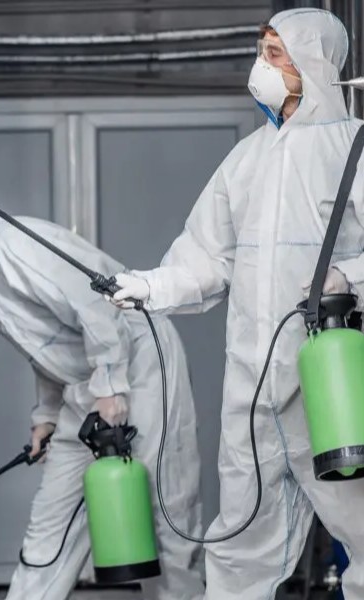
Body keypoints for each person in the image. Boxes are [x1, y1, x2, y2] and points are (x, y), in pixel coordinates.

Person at [109, 8, 364, 599]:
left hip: (330, 383)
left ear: (312, 65)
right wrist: (150, 286)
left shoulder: (353, 148)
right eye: (262, 51)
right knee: (239, 541)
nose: (261, 66)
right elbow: (205, 257)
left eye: (274, 54)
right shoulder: (248, 158)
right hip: (251, 384)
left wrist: (347, 277)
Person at [0, 210, 204, 600]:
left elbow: (95, 303)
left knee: (163, 506)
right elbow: (47, 355)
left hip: (140, 367)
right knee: (49, 526)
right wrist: (46, 417)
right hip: (85, 389)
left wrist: (110, 385)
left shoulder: (13, 245)